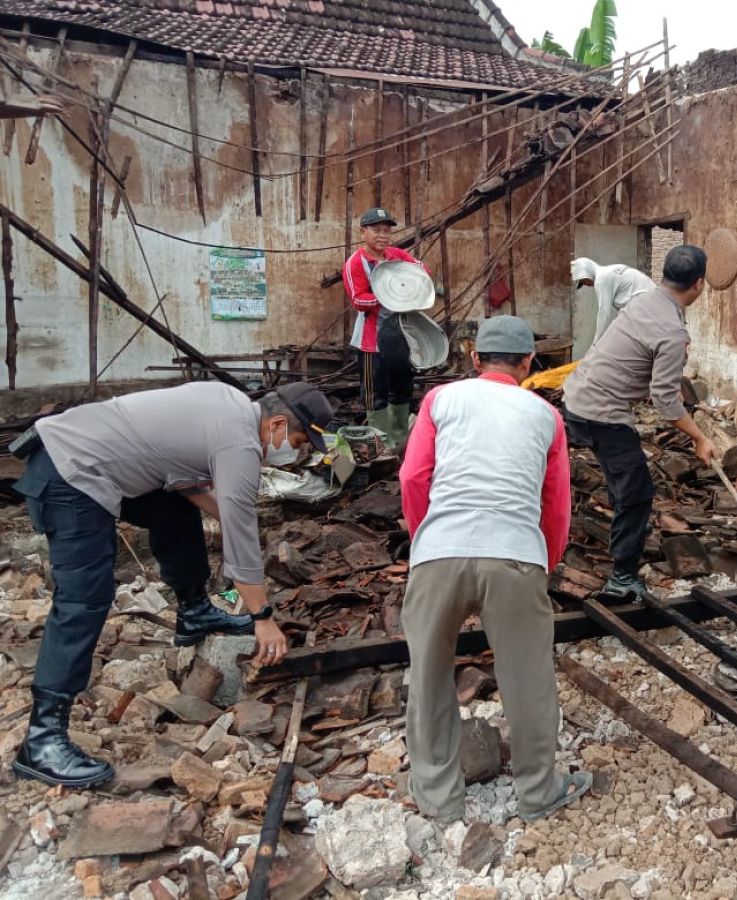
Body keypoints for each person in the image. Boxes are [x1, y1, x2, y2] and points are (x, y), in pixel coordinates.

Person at [9, 381, 334, 788]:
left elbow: (187, 483)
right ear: (279, 422)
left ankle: (194, 611)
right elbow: (238, 529)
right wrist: (262, 616)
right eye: (299, 440)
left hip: (94, 458)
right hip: (71, 470)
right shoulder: (241, 443)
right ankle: (41, 742)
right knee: (84, 596)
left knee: (176, 511)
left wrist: (240, 522)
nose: (295, 450)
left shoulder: (230, 403)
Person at [399, 315, 589, 823]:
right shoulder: (546, 414)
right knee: (527, 677)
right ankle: (539, 791)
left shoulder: (440, 400)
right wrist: (542, 562)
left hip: (439, 550)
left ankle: (439, 800)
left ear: (474, 358)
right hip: (515, 554)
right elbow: (556, 504)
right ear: (529, 363)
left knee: (429, 675)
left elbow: (414, 476)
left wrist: (426, 540)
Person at [564, 245, 717, 602]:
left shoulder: (645, 300)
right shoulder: (671, 330)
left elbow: (642, 360)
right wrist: (700, 438)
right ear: (698, 284)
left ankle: (618, 538)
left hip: (578, 398)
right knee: (637, 494)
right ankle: (621, 579)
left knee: (624, 481)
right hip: (600, 412)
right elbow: (665, 401)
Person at [342, 207, 425, 449]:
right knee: (374, 394)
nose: (382, 235)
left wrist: (411, 283)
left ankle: (398, 439)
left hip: (401, 339)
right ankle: (380, 444)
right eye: (376, 230)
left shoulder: (397, 255)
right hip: (372, 341)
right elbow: (358, 300)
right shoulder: (356, 263)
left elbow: (421, 271)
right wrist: (389, 294)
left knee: (402, 387)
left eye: (386, 231)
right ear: (363, 232)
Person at [570, 258, 656, 346]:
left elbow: (604, 312)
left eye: (584, 281)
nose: (586, 284)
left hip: (644, 303)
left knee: (624, 339)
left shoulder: (601, 279)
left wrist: (596, 342)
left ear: (587, 271)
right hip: (651, 301)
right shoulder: (609, 271)